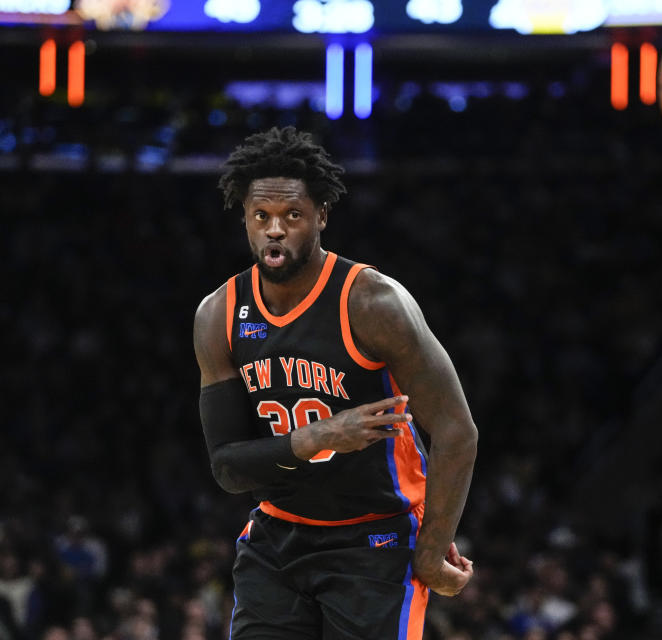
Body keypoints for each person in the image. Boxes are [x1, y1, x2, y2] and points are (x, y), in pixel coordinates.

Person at [192, 126, 478, 639]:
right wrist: (321, 436)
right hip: (276, 537)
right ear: (245, 220)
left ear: (321, 216)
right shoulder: (219, 315)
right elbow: (228, 468)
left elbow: (457, 430)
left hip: (375, 541)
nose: (275, 230)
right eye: (262, 217)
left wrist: (433, 548)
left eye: (292, 216)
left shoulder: (373, 303)